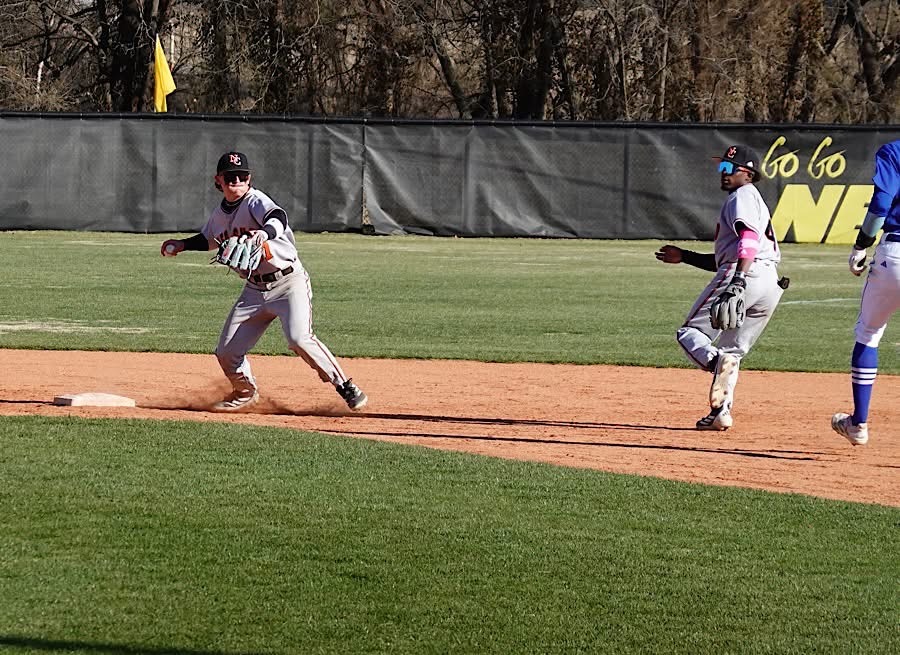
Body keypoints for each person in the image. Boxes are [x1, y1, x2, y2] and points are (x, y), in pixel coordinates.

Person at [160, 151, 368, 412]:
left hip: (288, 283)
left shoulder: (255, 201)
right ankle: (245, 391)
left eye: (242, 175)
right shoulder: (219, 214)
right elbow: (209, 238)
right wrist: (182, 244)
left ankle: (345, 385)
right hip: (255, 290)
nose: (237, 180)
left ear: (249, 178)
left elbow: (278, 216)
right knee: (226, 351)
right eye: (230, 176)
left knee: (299, 338)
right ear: (219, 180)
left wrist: (264, 231)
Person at [655, 145, 785, 431]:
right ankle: (720, 413)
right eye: (721, 167)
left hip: (745, 275)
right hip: (769, 282)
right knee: (733, 352)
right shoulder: (753, 198)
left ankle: (716, 365)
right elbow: (728, 255)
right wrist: (686, 256)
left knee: (690, 334)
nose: (723, 173)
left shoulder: (742, 196)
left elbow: (748, 239)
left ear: (748, 174)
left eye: (729, 168)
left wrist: (738, 280)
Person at [832, 139, 900, 446]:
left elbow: (882, 204)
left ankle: (858, 424)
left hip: (896, 252)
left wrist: (861, 245)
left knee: (869, 333)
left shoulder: (894, 150)